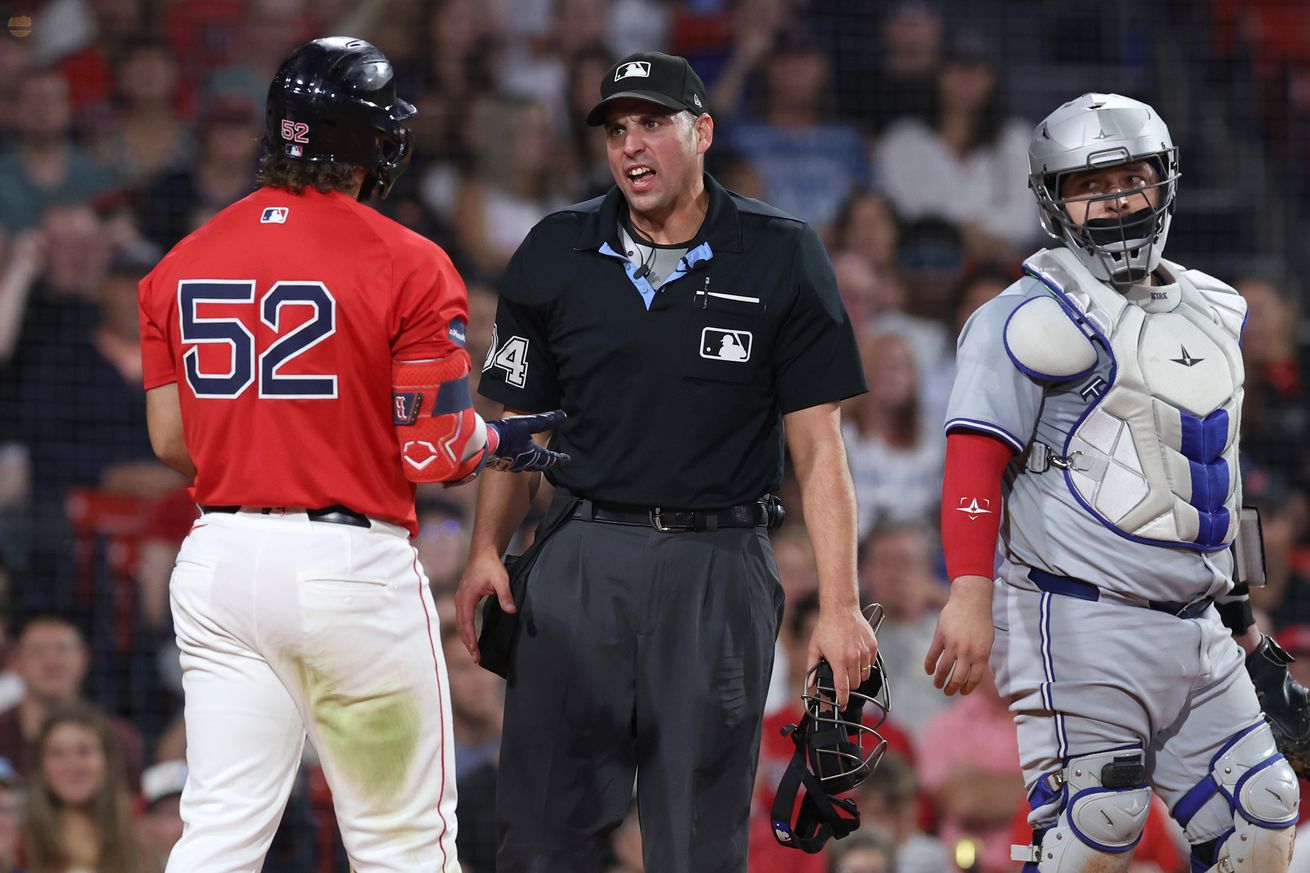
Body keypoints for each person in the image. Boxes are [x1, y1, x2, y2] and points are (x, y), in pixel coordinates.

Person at [136, 37, 565, 872]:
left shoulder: (179, 263)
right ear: (368, 143)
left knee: (219, 833)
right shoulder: (407, 260)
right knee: (402, 843)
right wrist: (513, 436)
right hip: (346, 574)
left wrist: (268, 452)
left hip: (220, 562)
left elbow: (169, 442)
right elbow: (436, 449)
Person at [455, 50, 876, 873]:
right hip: (580, 556)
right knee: (541, 837)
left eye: (653, 123)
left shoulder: (782, 253)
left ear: (703, 131)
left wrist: (840, 603)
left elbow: (819, 448)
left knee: (698, 843)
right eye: (617, 130)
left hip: (719, 565)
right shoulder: (554, 248)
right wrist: (481, 552)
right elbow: (518, 426)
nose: (632, 146)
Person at [927, 92, 1301, 872]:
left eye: (1130, 179)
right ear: (1051, 200)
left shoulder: (1217, 308)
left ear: (1165, 182)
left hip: (1198, 622)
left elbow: (1214, 480)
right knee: (1095, 824)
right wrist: (967, 592)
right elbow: (972, 459)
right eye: (1087, 186)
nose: (1115, 201)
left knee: (1264, 815)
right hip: (1077, 614)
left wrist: (1243, 616)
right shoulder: (1024, 317)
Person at [22, 704, 143, 873]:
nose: (72, 765)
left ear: (107, 761)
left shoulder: (141, 833)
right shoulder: (20, 842)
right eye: (57, 753)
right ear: (41, 766)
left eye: (84, 751)